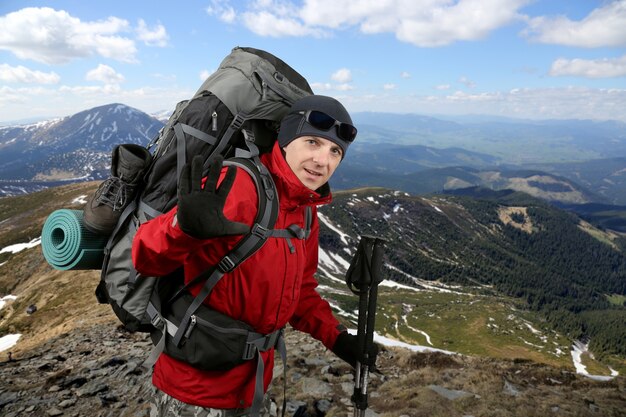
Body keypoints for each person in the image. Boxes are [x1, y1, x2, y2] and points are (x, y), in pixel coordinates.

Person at [132, 95, 370, 416]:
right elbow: (144, 258)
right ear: (285, 140)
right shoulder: (240, 185)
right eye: (312, 142)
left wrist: (338, 339)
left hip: (253, 384)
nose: (322, 160)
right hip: (195, 390)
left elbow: (299, 293)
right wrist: (182, 228)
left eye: (334, 152)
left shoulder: (304, 212)